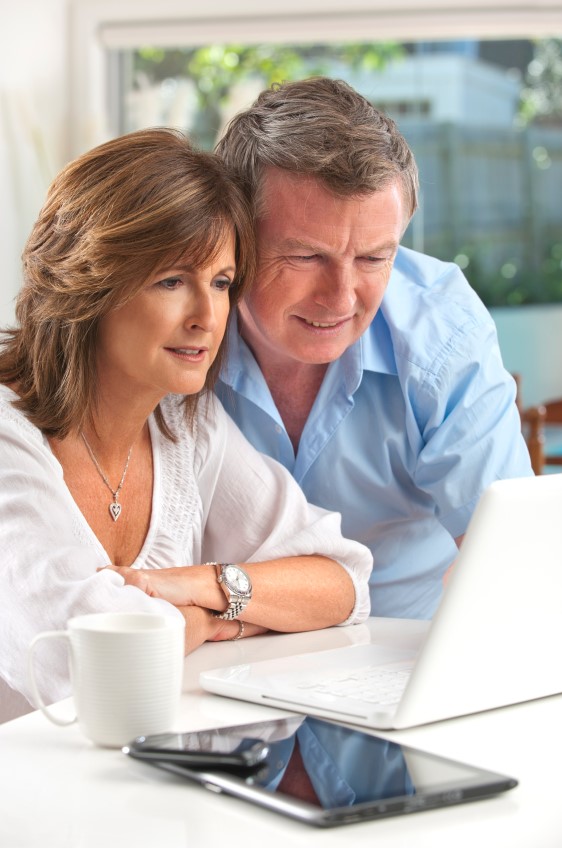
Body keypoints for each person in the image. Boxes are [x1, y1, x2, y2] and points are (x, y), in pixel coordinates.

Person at [0, 127, 372, 723]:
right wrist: (221, 619)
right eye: (172, 281)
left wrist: (203, 584)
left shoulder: (182, 424)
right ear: (89, 283)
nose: (207, 316)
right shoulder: (8, 437)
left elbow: (342, 582)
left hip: (128, 774)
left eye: (221, 283)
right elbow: (84, 661)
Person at [214, 77, 534, 620]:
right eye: (306, 257)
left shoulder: (443, 332)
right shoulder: (180, 331)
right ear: (235, 237)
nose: (341, 298)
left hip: (405, 658)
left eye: (372, 259)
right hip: (224, 658)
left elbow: (509, 555)